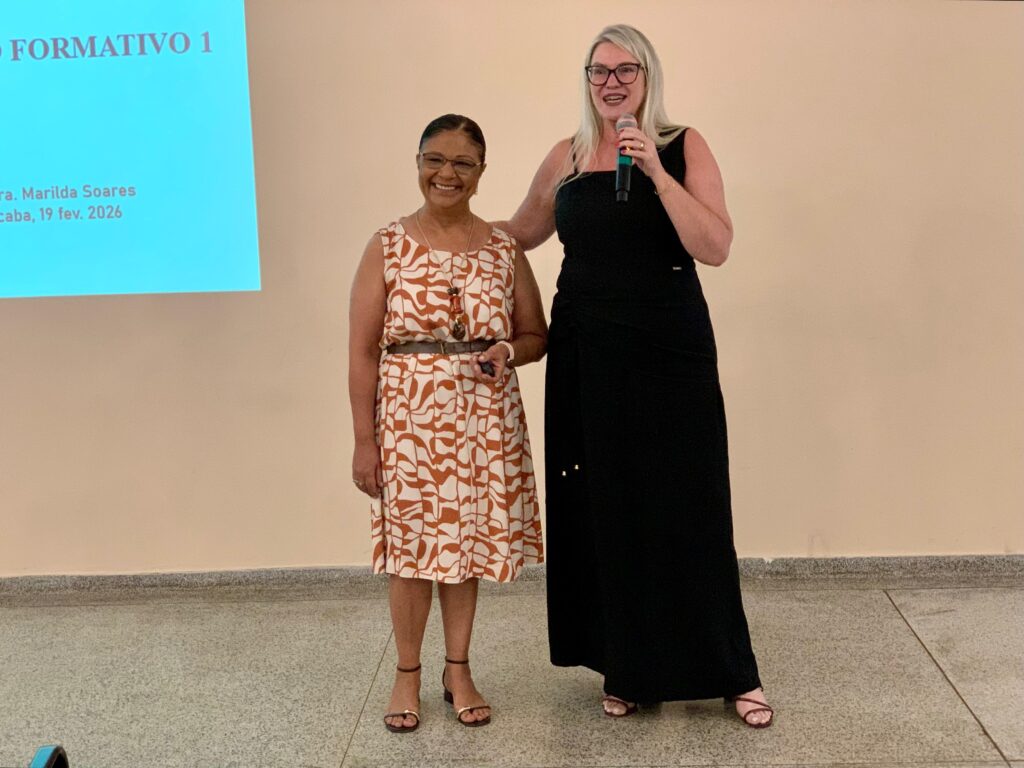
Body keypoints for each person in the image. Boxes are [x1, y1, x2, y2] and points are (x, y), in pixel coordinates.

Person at [499, 25, 773, 727]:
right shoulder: (565, 155)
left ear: (649, 76)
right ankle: (626, 666)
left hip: (668, 348)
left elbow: (715, 245)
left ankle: (731, 671)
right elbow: (521, 233)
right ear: (586, 79)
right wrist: (444, 228)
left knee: (690, 503)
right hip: (587, 349)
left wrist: (655, 172)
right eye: (600, 71)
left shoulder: (683, 145)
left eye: (627, 69)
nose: (612, 82)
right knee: (606, 507)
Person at [348, 114, 547, 733]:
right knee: (411, 554)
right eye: (435, 159)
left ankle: (457, 669)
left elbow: (536, 333)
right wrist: (363, 441)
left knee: (465, 553)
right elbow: (361, 349)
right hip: (407, 424)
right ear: (417, 163)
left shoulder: (503, 247)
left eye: (463, 163)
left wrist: (508, 351)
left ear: (481, 173)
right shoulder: (387, 244)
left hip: (485, 422)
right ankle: (407, 673)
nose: (447, 173)